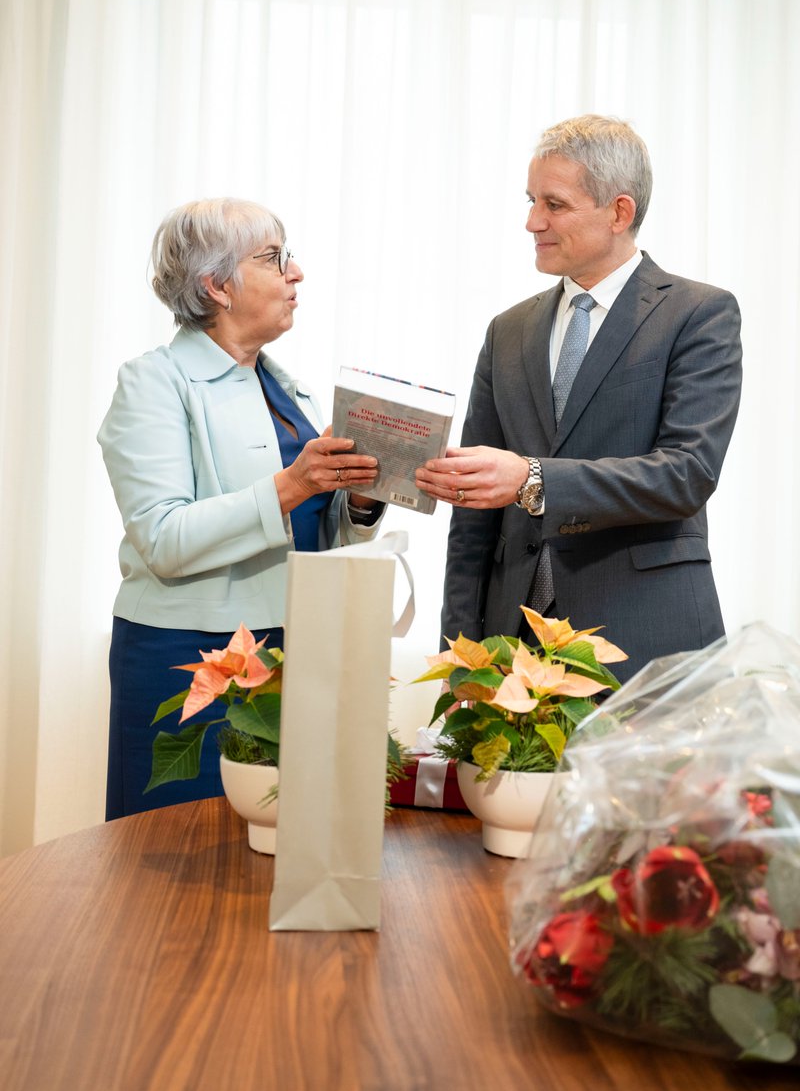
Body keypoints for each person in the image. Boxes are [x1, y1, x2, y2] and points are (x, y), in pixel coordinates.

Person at [416, 114, 742, 681]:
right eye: (530, 200)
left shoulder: (698, 314)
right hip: (511, 650)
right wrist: (461, 655)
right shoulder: (507, 330)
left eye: (554, 204)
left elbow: (687, 473)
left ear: (619, 212)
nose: (531, 221)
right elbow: (474, 517)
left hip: (645, 639)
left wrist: (533, 479)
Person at [98, 198, 383, 819]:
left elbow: (312, 530)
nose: (296, 273)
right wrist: (292, 484)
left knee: (274, 853)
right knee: (178, 858)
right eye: (274, 258)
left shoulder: (288, 387)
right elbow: (163, 538)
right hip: (189, 655)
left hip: (292, 647)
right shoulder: (153, 382)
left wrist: (358, 499)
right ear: (215, 285)